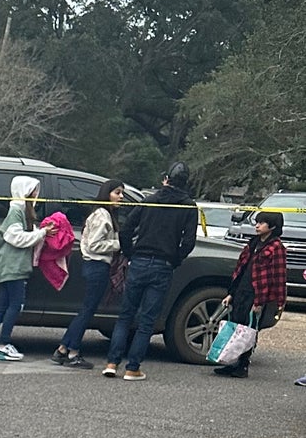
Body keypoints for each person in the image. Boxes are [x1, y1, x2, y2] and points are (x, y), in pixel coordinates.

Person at [102, 159, 197, 380]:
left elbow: (126, 230)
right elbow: (189, 242)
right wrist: (175, 259)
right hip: (163, 265)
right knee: (147, 320)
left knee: (125, 315)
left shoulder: (149, 201)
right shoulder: (188, 206)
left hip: (139, 261)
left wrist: (130, 252)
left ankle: (111, 362)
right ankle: (132, 367)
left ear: (166, 179)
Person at [54, 179, 124, 367]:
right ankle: (73, 352)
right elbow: (94, 244)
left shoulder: (99, 213)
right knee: (87, 311)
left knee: (86, 309)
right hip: (97, 265)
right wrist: (118, 244)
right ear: (106, 193)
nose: (121, 197)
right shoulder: (103, 215)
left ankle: (62, 349)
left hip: (92, 265)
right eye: (117, 192)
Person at [214, 209, 288, 377]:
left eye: (262, 223)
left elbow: (277, 277)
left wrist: (262, 302)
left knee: (249, 329)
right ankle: (231, 361)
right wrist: (231, 293)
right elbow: (241, 269)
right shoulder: (253, 243)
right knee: (235, 326)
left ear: (273, 226)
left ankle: (243, 365)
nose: (257, 225)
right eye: (257, 222)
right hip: (241, 290)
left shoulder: (276, 248)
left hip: (257, 295)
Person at [0, 176, 46, 360]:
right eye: (33, 191)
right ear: (25, 192)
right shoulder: (16, 212)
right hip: (13, 267)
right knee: (15, 305)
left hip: (8, 267)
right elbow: (16, 238)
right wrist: (42, 233)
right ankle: (3, 344)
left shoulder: (19, 212)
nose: (36, 195)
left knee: (2, 305)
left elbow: (22, 234)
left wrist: (39, 231)